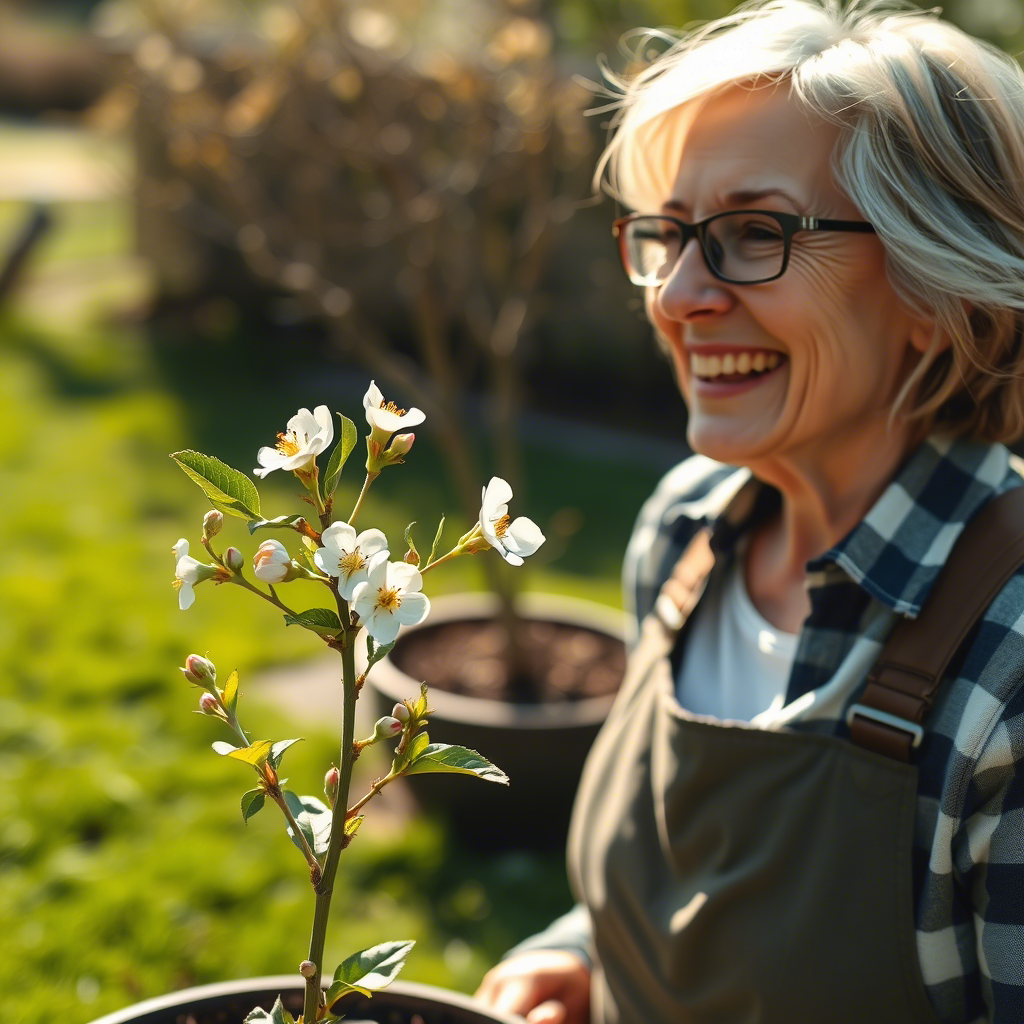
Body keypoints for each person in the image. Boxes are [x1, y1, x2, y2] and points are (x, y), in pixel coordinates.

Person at [473, 2, 1024, 1022]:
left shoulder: (1007, 677)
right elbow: (690, 875)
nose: (679, 294)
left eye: (752, 233)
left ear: (932, 285)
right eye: (669, 235)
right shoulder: (686, 527)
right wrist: (584, 952)